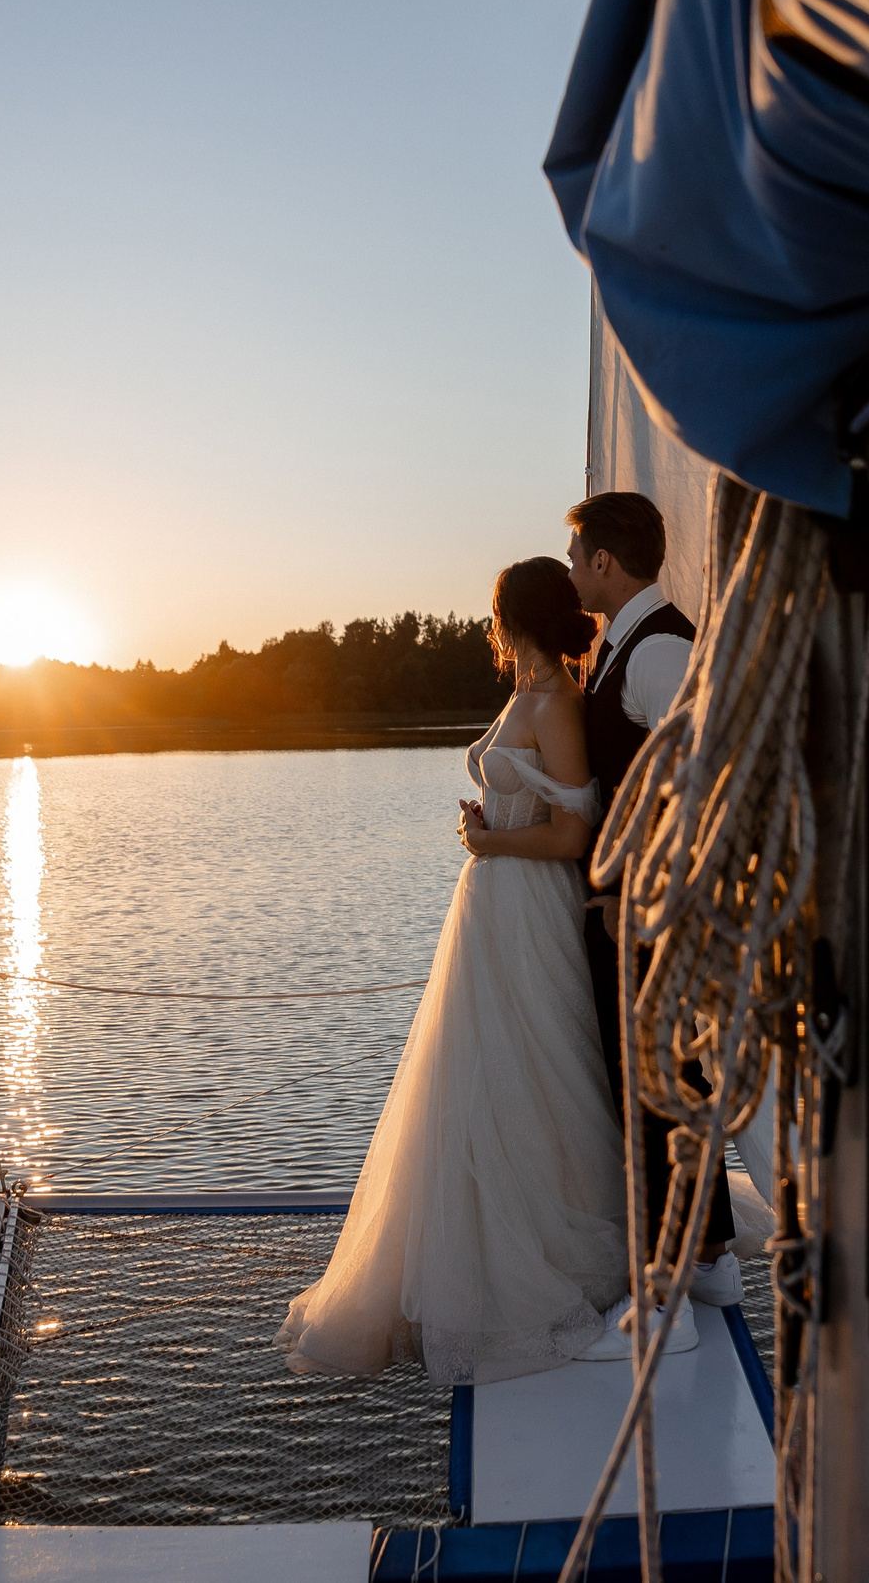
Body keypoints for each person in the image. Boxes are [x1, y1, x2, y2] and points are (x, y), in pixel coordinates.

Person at [274, 558, 629, 1385]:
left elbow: (577, 838)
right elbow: (532, 800)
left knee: (536, 1066)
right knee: (474, 1071)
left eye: (497, 613)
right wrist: (491, 822)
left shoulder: (560, 701)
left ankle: (557, 1254)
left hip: (529, 902)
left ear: (514, 618)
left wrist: (490, 840)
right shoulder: (528, 689)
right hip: (491, 902)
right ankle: (465, 1245)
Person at [564, 491, 741, 1361]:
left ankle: (665, 1294)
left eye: (575, 558)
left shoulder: (662, 646)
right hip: (630, 908)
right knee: (666, 1079)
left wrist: (638, 890)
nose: (568, 573)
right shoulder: (621, 646)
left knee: (656, 1088)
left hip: (650, 910)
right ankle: (708, 1257)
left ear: (604, 560)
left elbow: (700, 780)